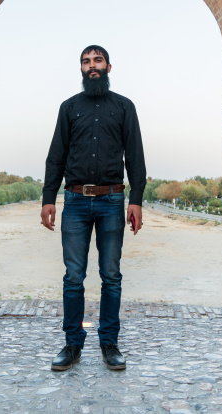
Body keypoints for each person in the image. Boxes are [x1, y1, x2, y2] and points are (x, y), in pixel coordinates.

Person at [41, 45, 146, 371]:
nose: (92, 66)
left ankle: (109, 343)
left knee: (111, 276)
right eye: (86, 61)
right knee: (73, 277)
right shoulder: (69, 107)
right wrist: (48, 198)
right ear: (82, 69)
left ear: (108, 66)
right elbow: (56, 156)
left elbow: (135, 156)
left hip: (112, 200)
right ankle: (72, 345)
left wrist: (136, 200)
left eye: (97, 60)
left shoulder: (124, 107)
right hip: (74, 202)